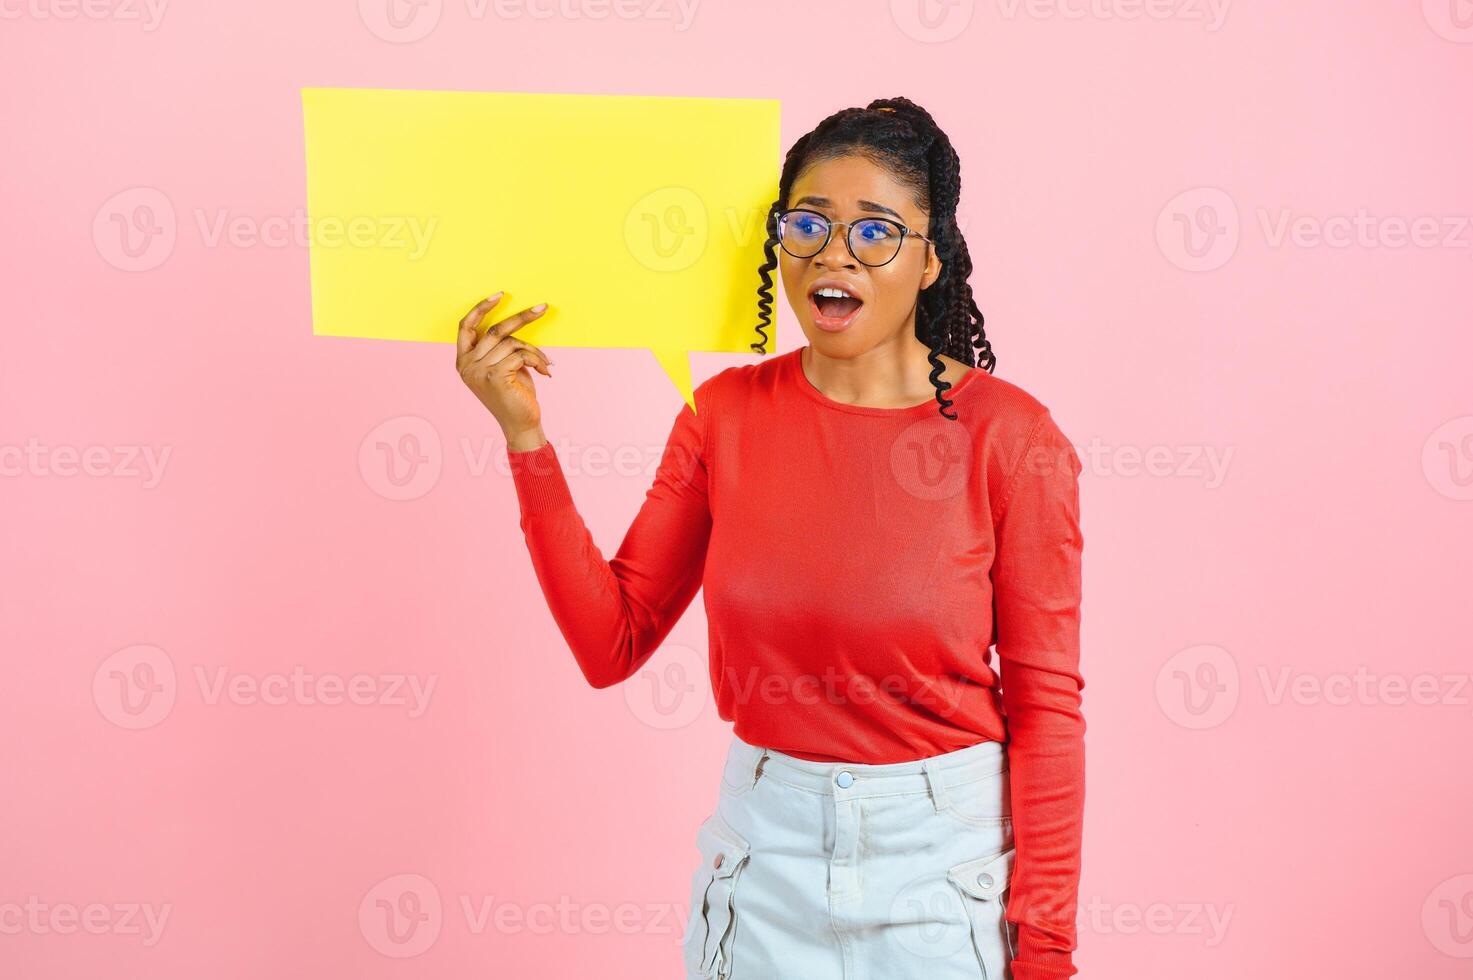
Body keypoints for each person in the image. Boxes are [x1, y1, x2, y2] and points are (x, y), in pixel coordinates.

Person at [455, 96, 1085, 980]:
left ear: (932, 256)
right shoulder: (724, 417)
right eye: (808, 224)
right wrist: (525, 435)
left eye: (875, 232)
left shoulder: (1011, 441)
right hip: (763, 861)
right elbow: (612, 642)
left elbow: (1047, 710)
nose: (833, 253)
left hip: (942, 873)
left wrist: (1046, 956)